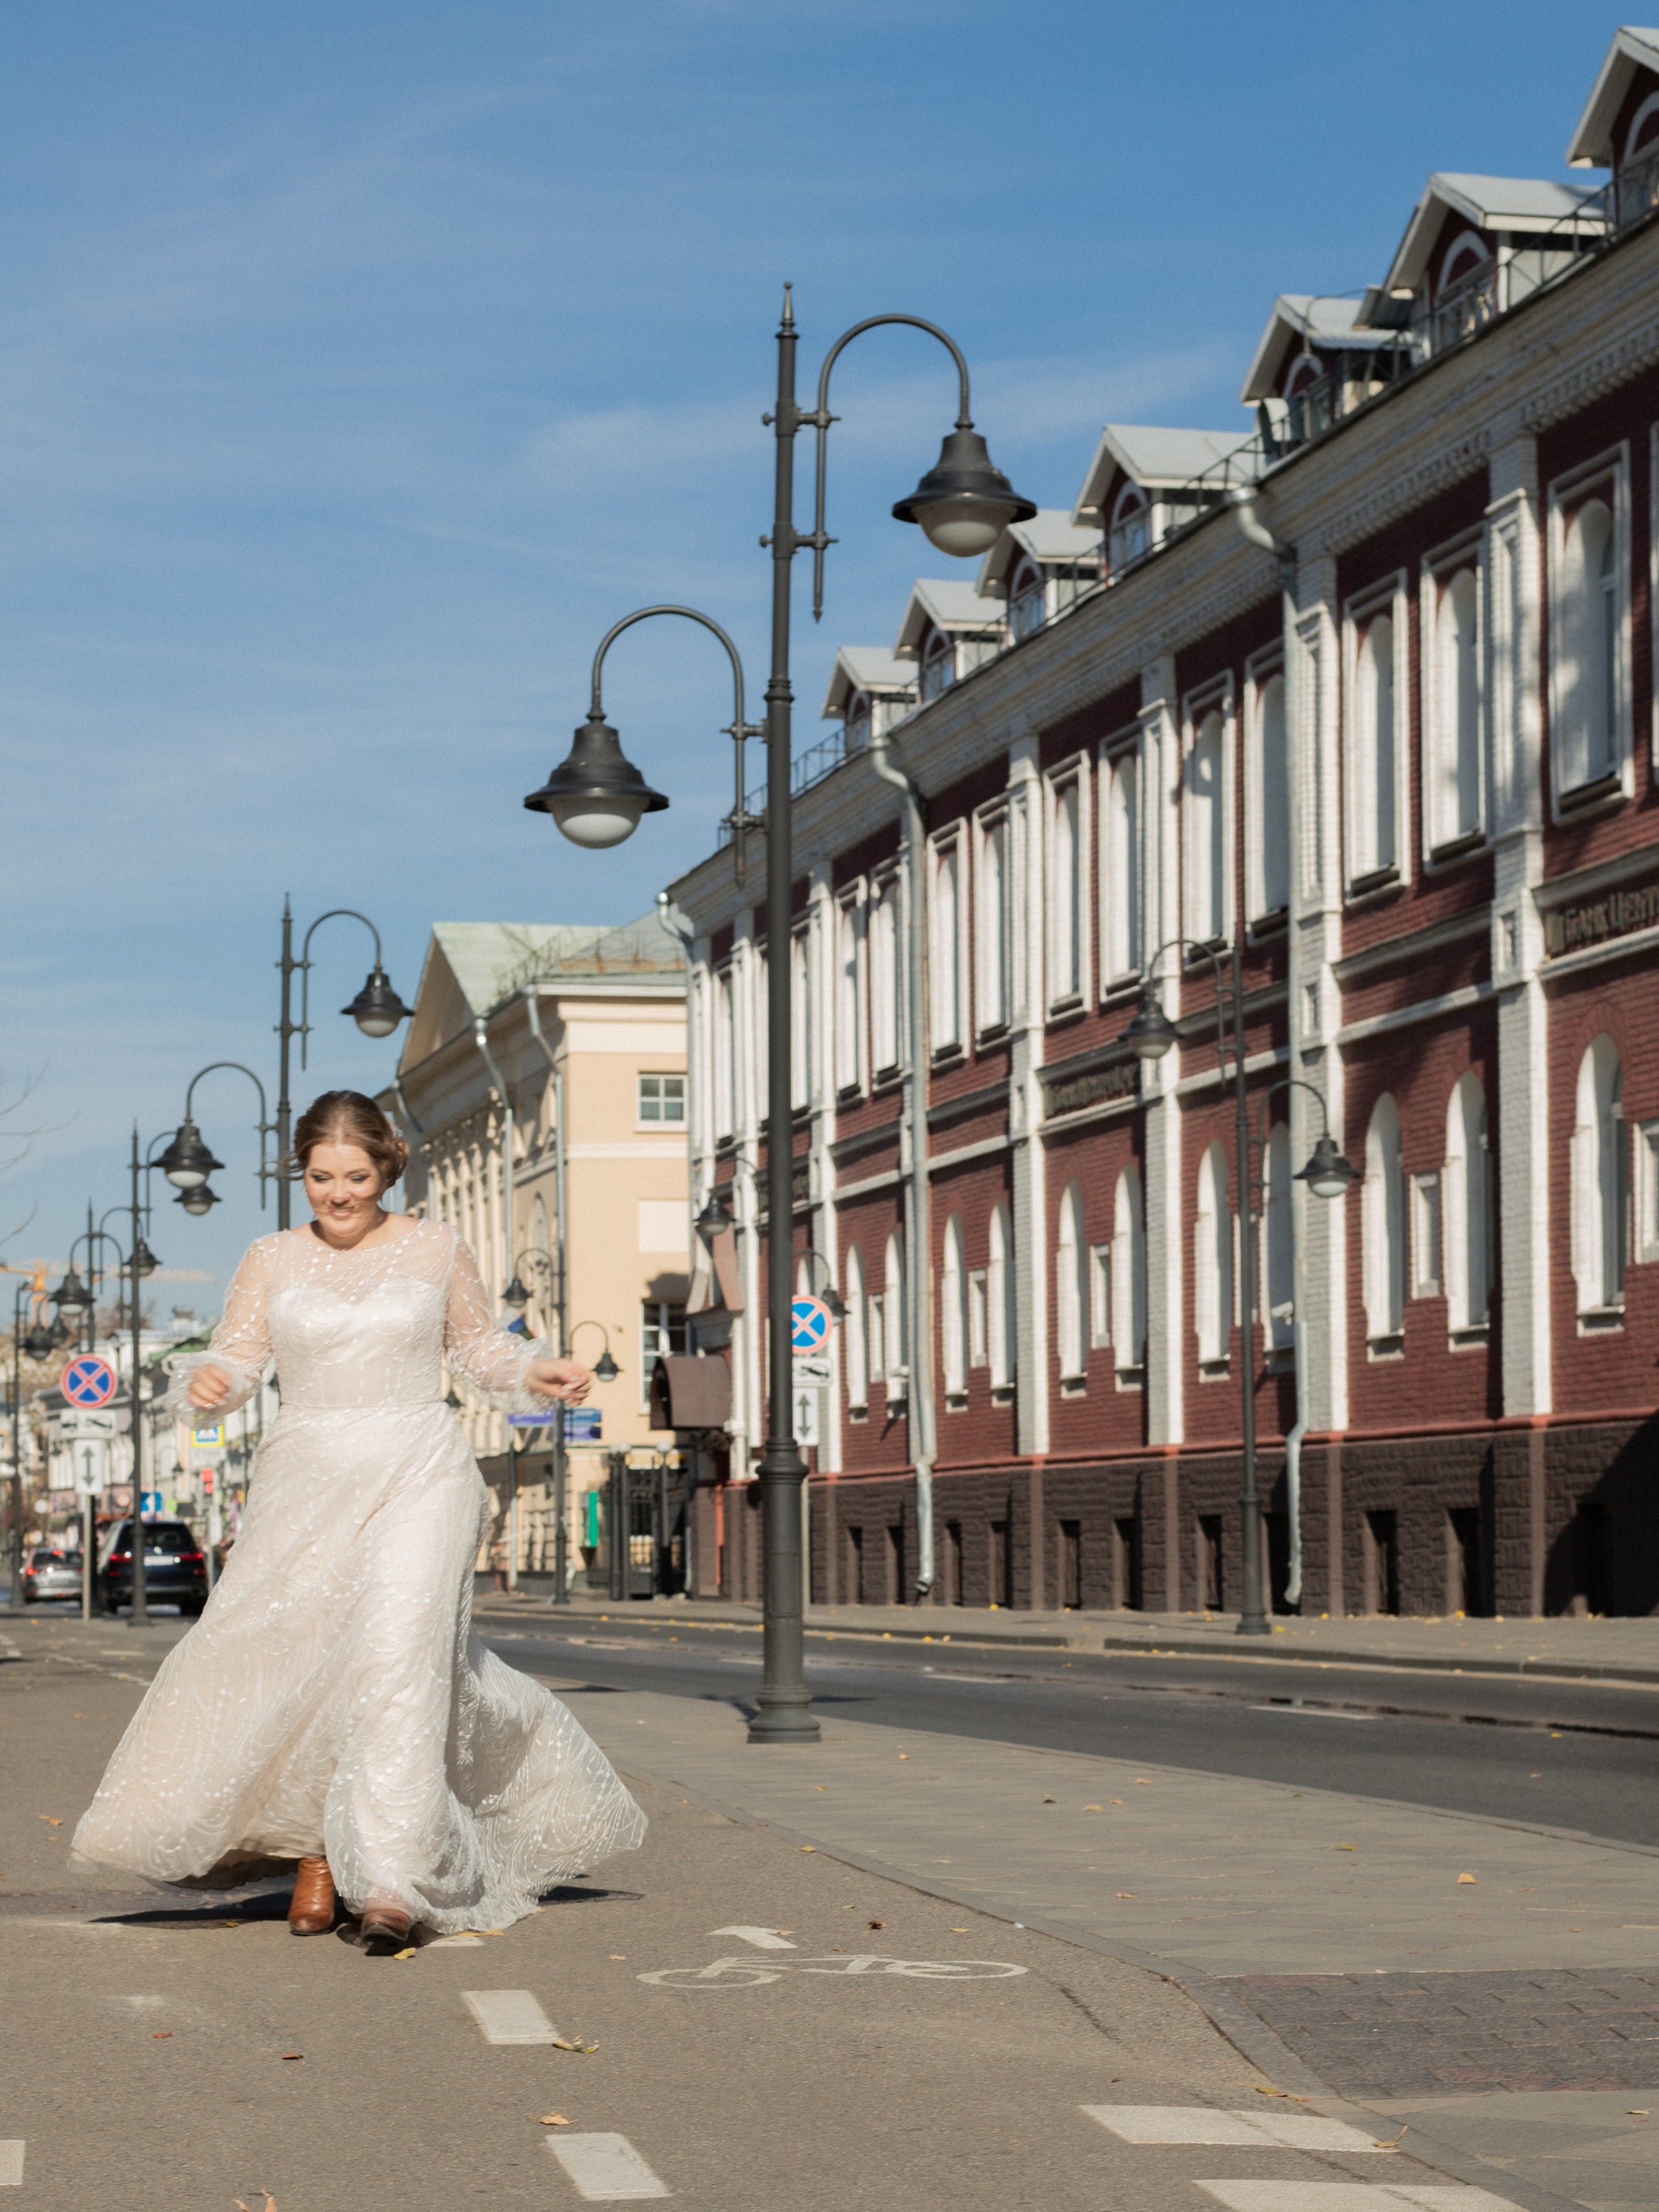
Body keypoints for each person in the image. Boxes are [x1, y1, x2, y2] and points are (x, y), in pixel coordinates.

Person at [72, 1089, 645, 1950]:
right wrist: (215, 1382)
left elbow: (480, 1346)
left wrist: (537, 1368)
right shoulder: (270, 1257)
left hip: (419, 1466)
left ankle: (392, 1880)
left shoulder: (433, 1248)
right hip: (306, 1477)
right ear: (301, 1171)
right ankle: (316, 1851)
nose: (336, 1194)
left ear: (387, 1170)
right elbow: (238, 1350)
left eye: (355, 1176)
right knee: (303, 1660)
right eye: (319, 1176)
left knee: (398, 1660)